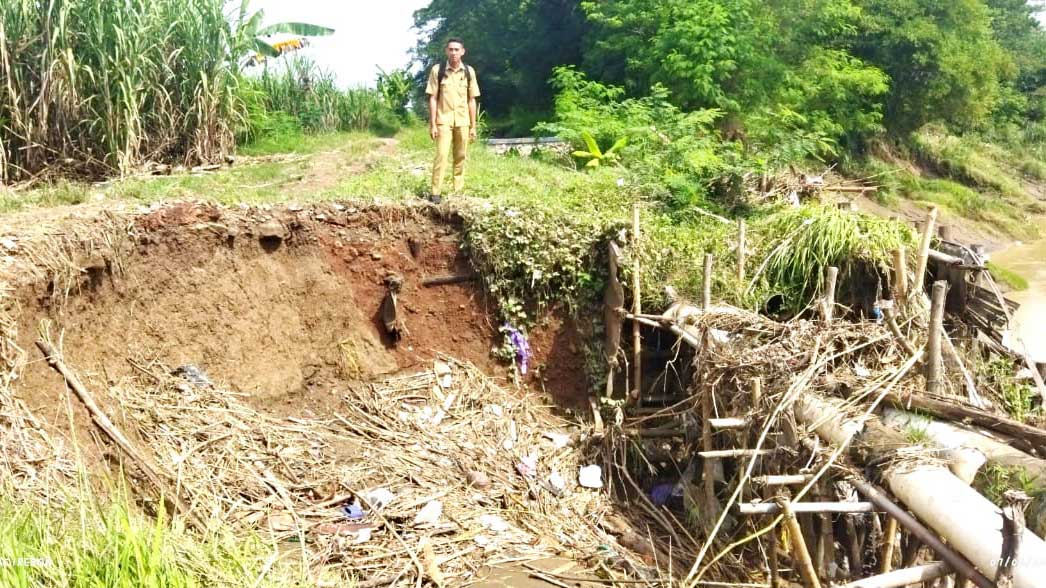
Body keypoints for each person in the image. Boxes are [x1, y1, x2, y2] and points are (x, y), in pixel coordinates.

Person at [425, 37, 480, 202]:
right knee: (441, 155)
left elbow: (472, 100)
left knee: (460, 157)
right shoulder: (438, 70)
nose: (454, 52)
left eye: (457, 49)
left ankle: (458, 193)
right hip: (443, 121)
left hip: (463, 122)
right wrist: (433, 124)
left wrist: (473, 126)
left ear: (463, 51)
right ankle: (435, 193)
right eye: (451, 49)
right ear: (446, 51)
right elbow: (433, 98)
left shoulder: (469, 72)